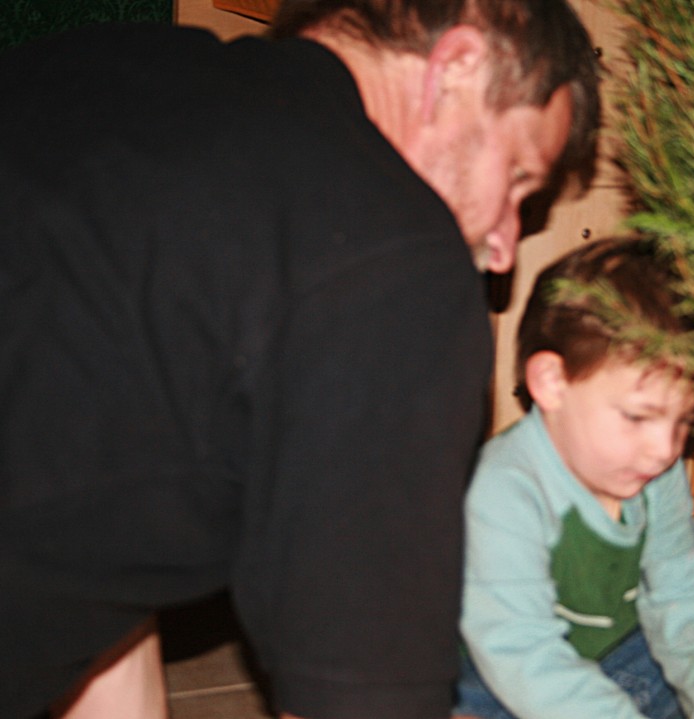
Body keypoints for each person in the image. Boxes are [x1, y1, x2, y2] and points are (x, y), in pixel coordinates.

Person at [0, 0, 600, 717]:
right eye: (518, 182)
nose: (503, 246)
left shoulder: (95, 69)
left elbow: (114, 518)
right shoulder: (394, 253)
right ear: (458, 68)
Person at [453, 238, 694, 719]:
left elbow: (681, 588)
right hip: (504, 671)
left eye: (684, 421)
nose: (666, 449)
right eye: (638, 417)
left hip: (619, 653)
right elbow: (521, 651)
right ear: (551, 383)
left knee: (693, 662)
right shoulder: (502, 491)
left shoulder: (652, 469)